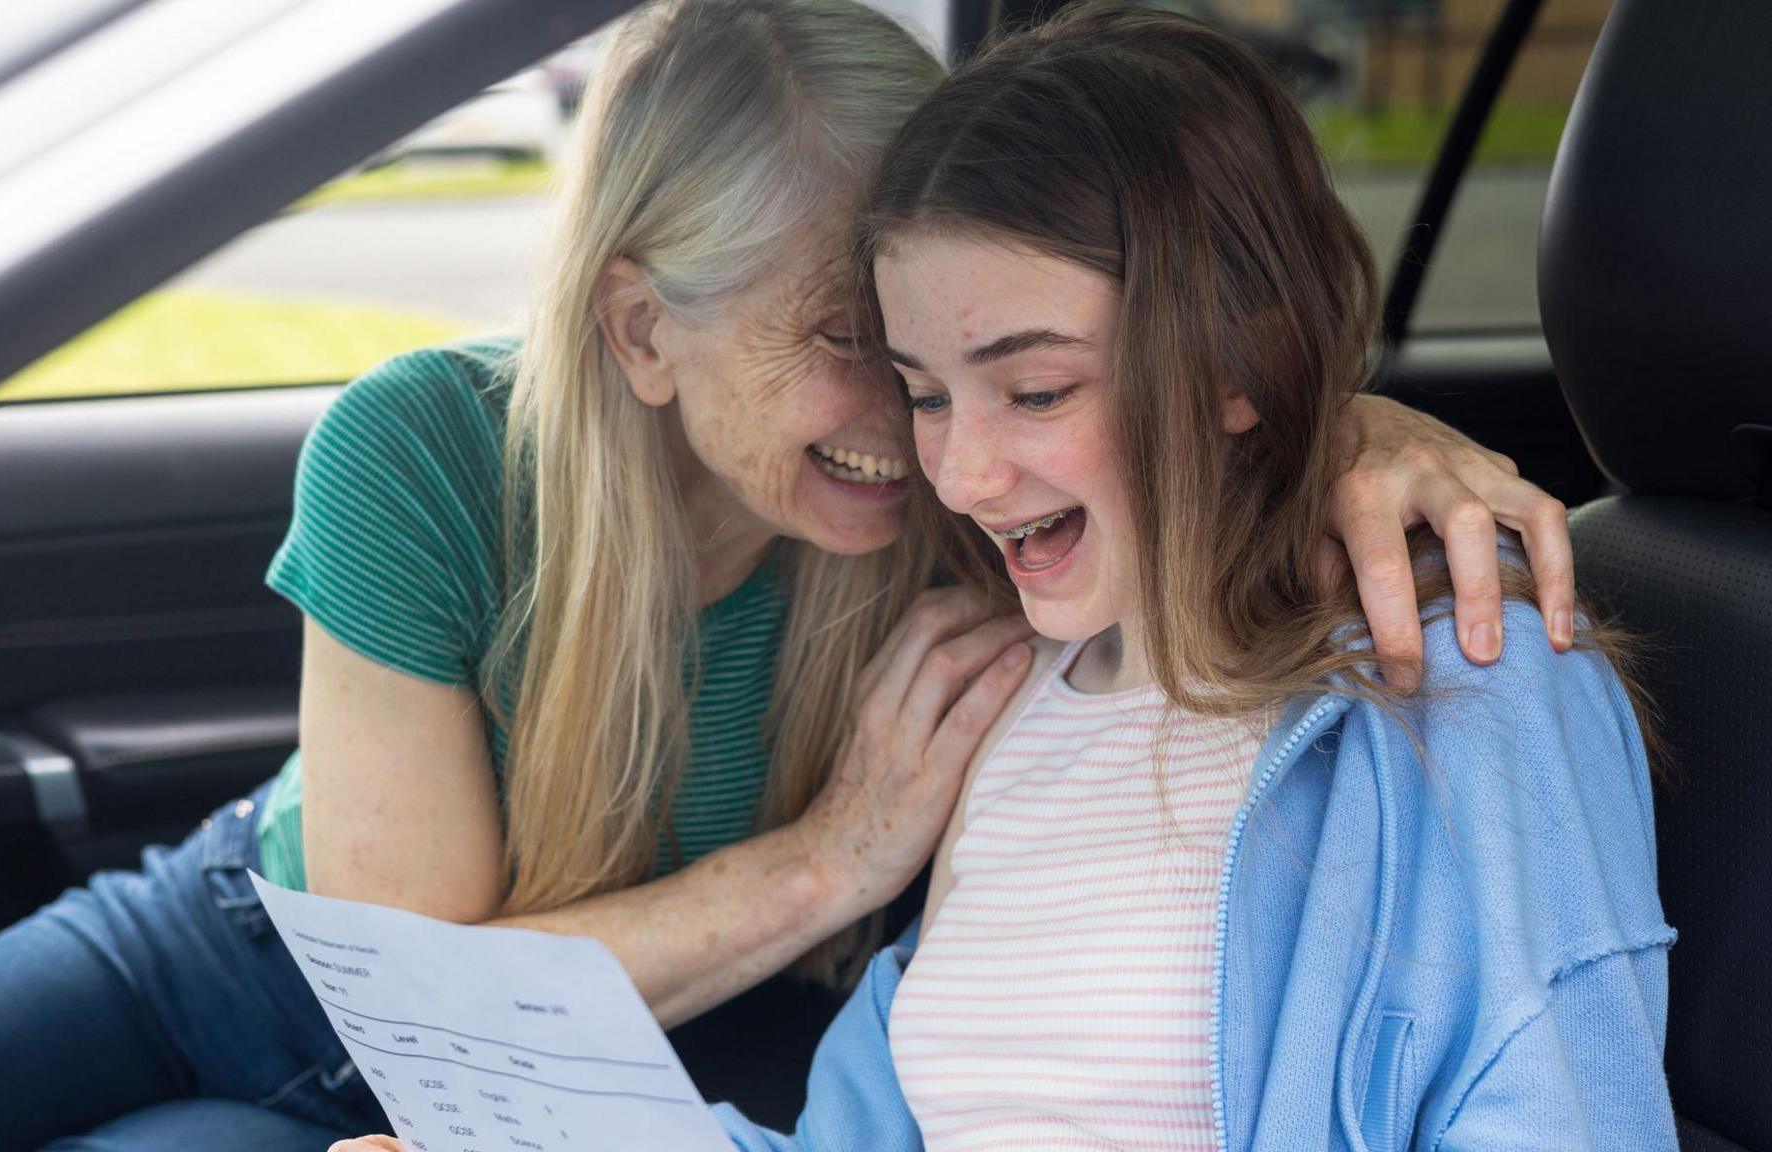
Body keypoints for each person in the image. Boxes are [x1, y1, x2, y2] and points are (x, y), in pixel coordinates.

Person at [0, 2, 1582, 1149]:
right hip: (261, 950)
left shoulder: (967, 494)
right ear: (645, 329)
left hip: (612, 1071)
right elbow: (413, 998)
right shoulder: (426, 452)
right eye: (850, 344)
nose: (915, 425)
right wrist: (830, 858)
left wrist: (1351, 427)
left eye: (932, 355)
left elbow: (1157, 407)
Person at [709, 4, 1670, 1146]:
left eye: (1034, 392)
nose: (959, 476)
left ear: (1237, 366)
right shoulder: (1009, 689)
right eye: (925, 394)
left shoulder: (1467, 677)